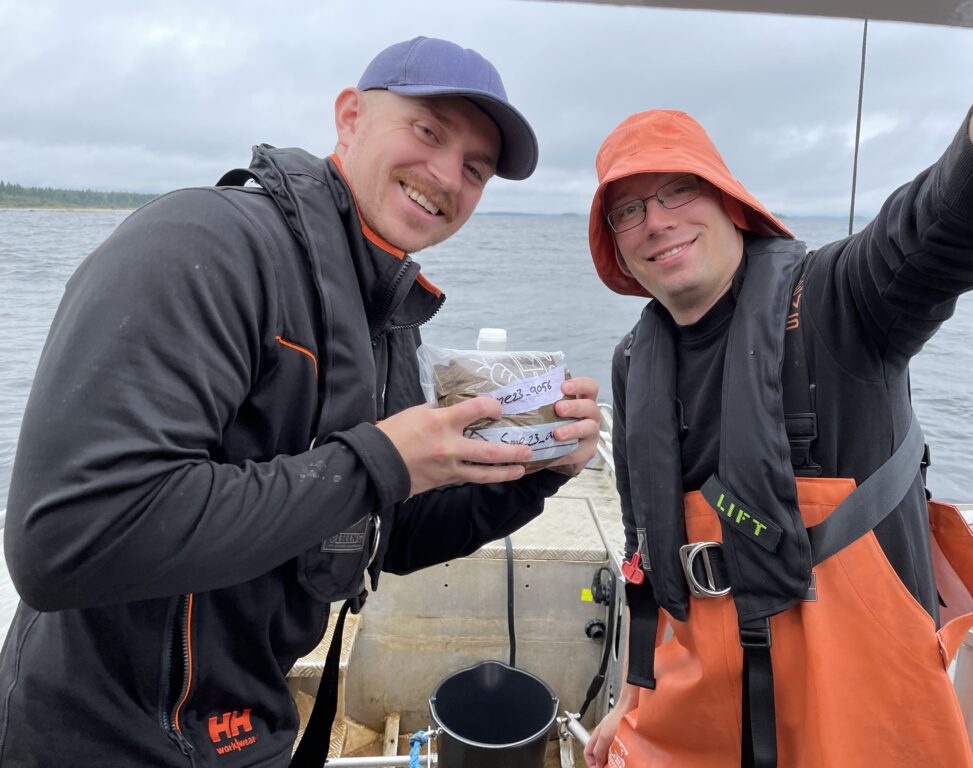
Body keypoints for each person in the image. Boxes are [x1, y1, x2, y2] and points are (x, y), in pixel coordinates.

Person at [0, 37, 600, 767]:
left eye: (476, 169)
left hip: (244, 724)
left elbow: (389, 531)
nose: (447, 175)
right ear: (350, 117)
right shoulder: (208, 242)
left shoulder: (383, 319)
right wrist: (381, 458)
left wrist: (538, 468)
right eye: (428, 131)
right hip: (109, 737)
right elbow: (69, 537)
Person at [583, 44, 973, 768]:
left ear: (730, 202)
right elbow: (643, 557)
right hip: (699, 702)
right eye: (628, 209)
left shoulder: (843, 301)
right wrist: (633, 697)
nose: (655, 222)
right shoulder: (635, 362)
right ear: (617, 248)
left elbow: (955, 210)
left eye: (677, 192)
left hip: (857, 705)